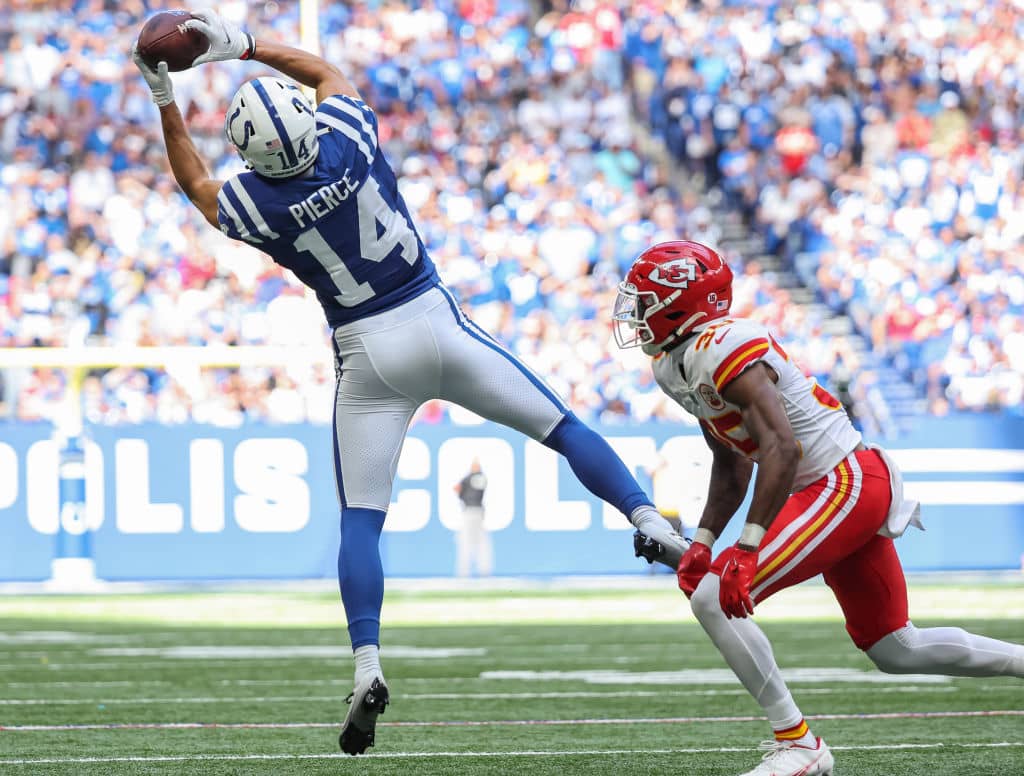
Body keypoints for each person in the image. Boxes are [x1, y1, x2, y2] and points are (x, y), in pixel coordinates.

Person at [132, 9, 688, 757]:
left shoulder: (258, 206)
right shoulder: (350, 142)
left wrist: (165, 94)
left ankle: (367, 663)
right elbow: (329, 76)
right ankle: (647, 518)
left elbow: (197, 183)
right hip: (436, 320)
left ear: (250, 153)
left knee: (362, 519)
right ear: (304, 126)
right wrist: (242, 47)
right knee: (564, 429)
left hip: (368, 352)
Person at [612, 240, 1024, 776]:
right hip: (833, 486)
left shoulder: (721, 344)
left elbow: (784, 448)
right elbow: (732, 461)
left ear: (681, 302)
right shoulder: (674, 363)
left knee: (713, 598)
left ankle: (799, 744)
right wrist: (706, 540)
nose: (635, 312)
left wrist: (747, 547)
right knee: (896, 647)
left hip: (840, 482)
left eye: (644, 300)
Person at [454, 459, 492, 578]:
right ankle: (483, 570)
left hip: (470, 511)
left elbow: (457, 488)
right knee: (480, 542)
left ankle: (465, 571)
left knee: (466, 541)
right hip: (478, 512)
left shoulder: (470, 478)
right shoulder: (481, 478)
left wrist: (462, 497)